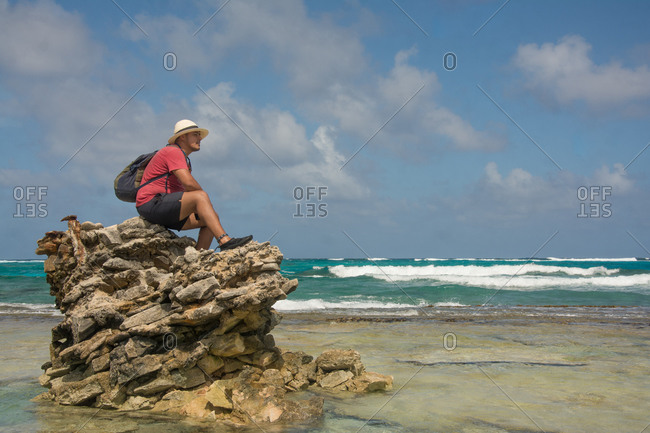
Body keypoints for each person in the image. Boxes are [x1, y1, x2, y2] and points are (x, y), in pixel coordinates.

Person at [136, 119, 252, 251]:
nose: (200, 138)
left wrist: (204, 207)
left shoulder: (183, 158)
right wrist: (204, 201)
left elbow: (185, 189)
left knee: (211, 219)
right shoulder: (172, 151)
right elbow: (188, 183)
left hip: (164, 206)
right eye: (195, 134)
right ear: (182, 137)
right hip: (151, 203)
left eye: (199, 135)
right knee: (200, 197)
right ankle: (225, 241)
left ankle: (198, 257)